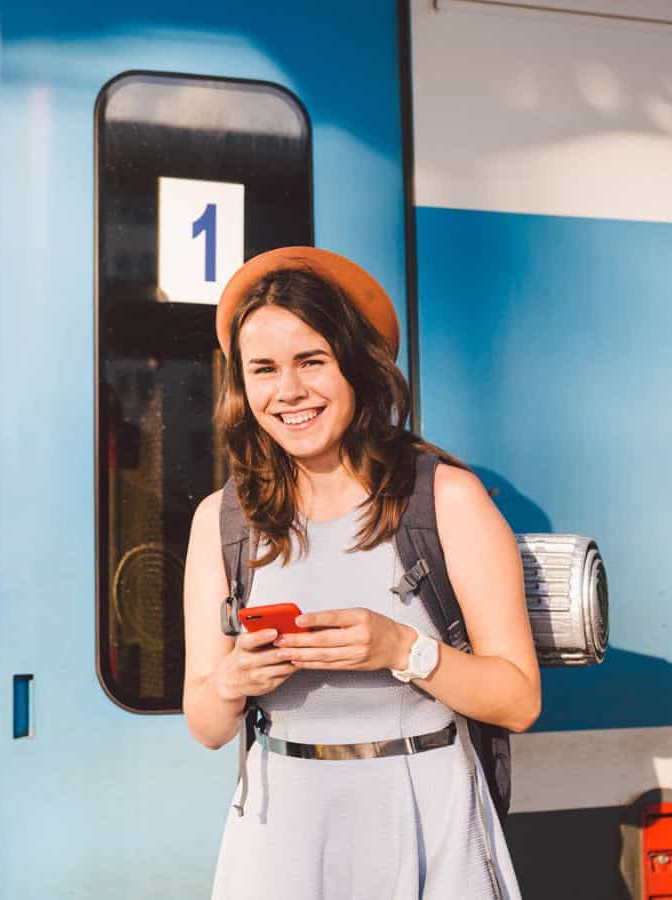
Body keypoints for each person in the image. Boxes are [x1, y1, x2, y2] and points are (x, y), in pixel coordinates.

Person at [181, 247, 540, 899]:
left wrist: (401, 648)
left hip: (428, 815)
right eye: (263, 369)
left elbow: (518, 701)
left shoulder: (447, 499)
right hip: (278, 832)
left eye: (312, 362)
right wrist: (234, 676)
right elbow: (206, 725)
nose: (287, 391)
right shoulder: (221, 519)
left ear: (357, 368)